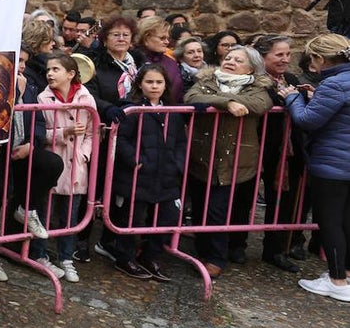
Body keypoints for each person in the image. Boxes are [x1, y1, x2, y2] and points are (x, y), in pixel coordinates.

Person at [184, 45, 273, 278]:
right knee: (201, 206)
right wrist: (228, 104)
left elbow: (260, 104)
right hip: (203, 155)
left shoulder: (258, 88)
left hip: (235, 158)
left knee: (218, 210)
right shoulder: (207, 80)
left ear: (252, 68)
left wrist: (217, 101)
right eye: (229, 57)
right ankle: (202, 253)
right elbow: (192, 97)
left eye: (238, 60)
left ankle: (216, 258)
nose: (230, 61)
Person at [0, 47, 62, 281]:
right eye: (18, 61)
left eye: (25, 61)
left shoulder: (29, 85)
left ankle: (23, 209)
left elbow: (36, 117)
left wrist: (32, 144)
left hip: (21, 149)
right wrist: (15, 89)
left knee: (51, 164)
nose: (23, 66)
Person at [281, 34, 350, 302]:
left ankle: (336, 280)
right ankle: (344, 274)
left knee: (330, 221)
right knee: (346, 220)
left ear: (321, 58)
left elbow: (308, 120)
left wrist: (291, 99)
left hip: (332, 164)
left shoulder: (334, 84)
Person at [108, 63, 186, 281]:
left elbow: (181, 141)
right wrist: (135, 160)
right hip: (137, 175)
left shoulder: (173, 111)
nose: (154, 86)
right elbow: (121, 139)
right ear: (140, 84)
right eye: (149, 82)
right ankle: (125, 257)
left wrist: (177, 162)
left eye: (159, 82)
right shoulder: (131, 109)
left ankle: (151, 256)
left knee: (167, 217)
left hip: (166, 174)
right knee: (132, 218)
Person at [32, 53, 95, 283]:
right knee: (44, 212)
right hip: (53, 162)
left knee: (70, 215)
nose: (50, 73)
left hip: (75, 165)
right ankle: (38, 253)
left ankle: (66, 257)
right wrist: (63, 133)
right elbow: (39, 133)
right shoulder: (42, 98)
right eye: (48, 69)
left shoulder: (87, 98)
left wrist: (84, 155)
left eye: (56, 69)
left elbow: (92, 132)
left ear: (70, 74)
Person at [84, 15, 141, 261]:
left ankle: (110, 239)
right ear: (104, 39)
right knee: (93, 188)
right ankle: (80, 241)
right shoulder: (96, 64)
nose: (120, 38)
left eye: (125, 35)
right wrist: (109, 108)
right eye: (115, 34)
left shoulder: (137, 65)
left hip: (129, 135)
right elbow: (89, 94)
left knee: (120, 187)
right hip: (103, 134)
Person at [251, 34, 306, 273]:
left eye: (287, 54)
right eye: (279, 54)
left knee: (284, 200)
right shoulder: (253, 80)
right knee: (241, 198)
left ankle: (275, 250)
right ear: (264, 56)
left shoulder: (291, 79)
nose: (285, 59)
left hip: (287, 150)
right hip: (256, 145)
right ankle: (233, 246)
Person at [132, 16, 183, 103]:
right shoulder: (132, 60)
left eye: (168, 38)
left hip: (171, 113)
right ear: (146, 37)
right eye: (162, 38)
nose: (167, 42)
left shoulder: (172, 62)